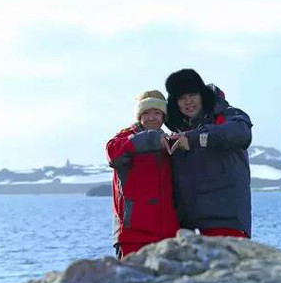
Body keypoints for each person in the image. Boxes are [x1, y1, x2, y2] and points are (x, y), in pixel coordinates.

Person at [164, 68, 253, 238]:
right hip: (188, 227)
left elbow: (241, 134)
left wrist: (195, 139)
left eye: (192, 95)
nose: (188, 102)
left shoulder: (228, 117)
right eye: (181, 98)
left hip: (227, 222)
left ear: (202, 96)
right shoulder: (176, 135)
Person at [106, 90, 180, 258]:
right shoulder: (123, 138)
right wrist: (150, 139)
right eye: (146, 112)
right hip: (132, 236)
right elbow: (112, 154)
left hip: (168, 236)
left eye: (157, 113)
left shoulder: (170, 142)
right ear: (138, 116)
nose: (152, 117)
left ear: (164, 117)